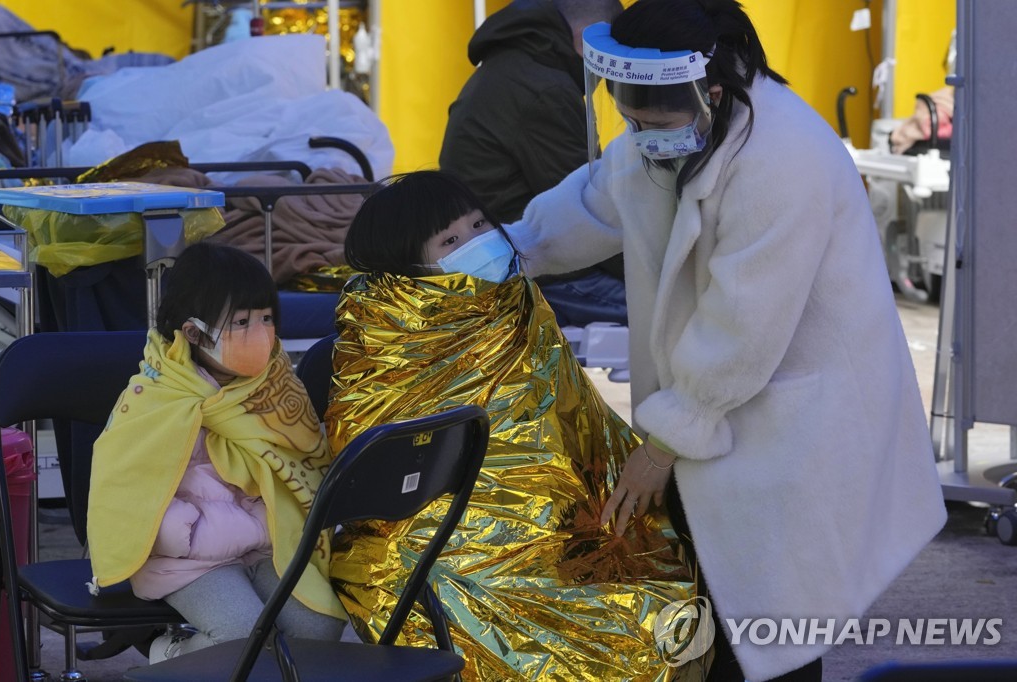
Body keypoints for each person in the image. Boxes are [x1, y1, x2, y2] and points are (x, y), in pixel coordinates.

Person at [505, 1, 948, 680]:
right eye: (629, 122)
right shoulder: (681, 130)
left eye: (651, 124)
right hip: (725, 410)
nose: (639, 136)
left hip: (793, 420)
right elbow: (598, 196)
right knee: (717, 623)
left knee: (775, 628)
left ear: (710, 92)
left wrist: (667, 441)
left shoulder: (784, 157)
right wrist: (506, 250)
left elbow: (743, 323)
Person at [326, 170, 710, 681]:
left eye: (481, 223)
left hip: (564, 520)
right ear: (409, 266)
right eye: (451, 240)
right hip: (441, 544)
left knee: (656, 592)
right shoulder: (387, 338)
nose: (479, 242)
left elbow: (573, 421)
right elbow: (373, 470)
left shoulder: (514, 303)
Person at [87, 242, 347, 662]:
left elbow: (302, 463)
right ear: (194, 332)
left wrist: (267, 524)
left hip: (265, 544)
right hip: (190, 557)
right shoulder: (159, 396)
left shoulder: (274, 385)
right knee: (240, 637)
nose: (261, 333)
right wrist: (194, 534)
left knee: (319, 625)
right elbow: (126, 490)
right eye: (242, 322)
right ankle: (169, 654)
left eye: (266, 318)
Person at [439, 0, 629, 328]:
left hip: (500, 261)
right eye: (612, 54)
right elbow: (589, 214)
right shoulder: (544, 89)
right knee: (676, 315)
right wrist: (656, 273)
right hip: (534, 276)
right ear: (590, 38)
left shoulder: (517, 66)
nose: (609, 69)